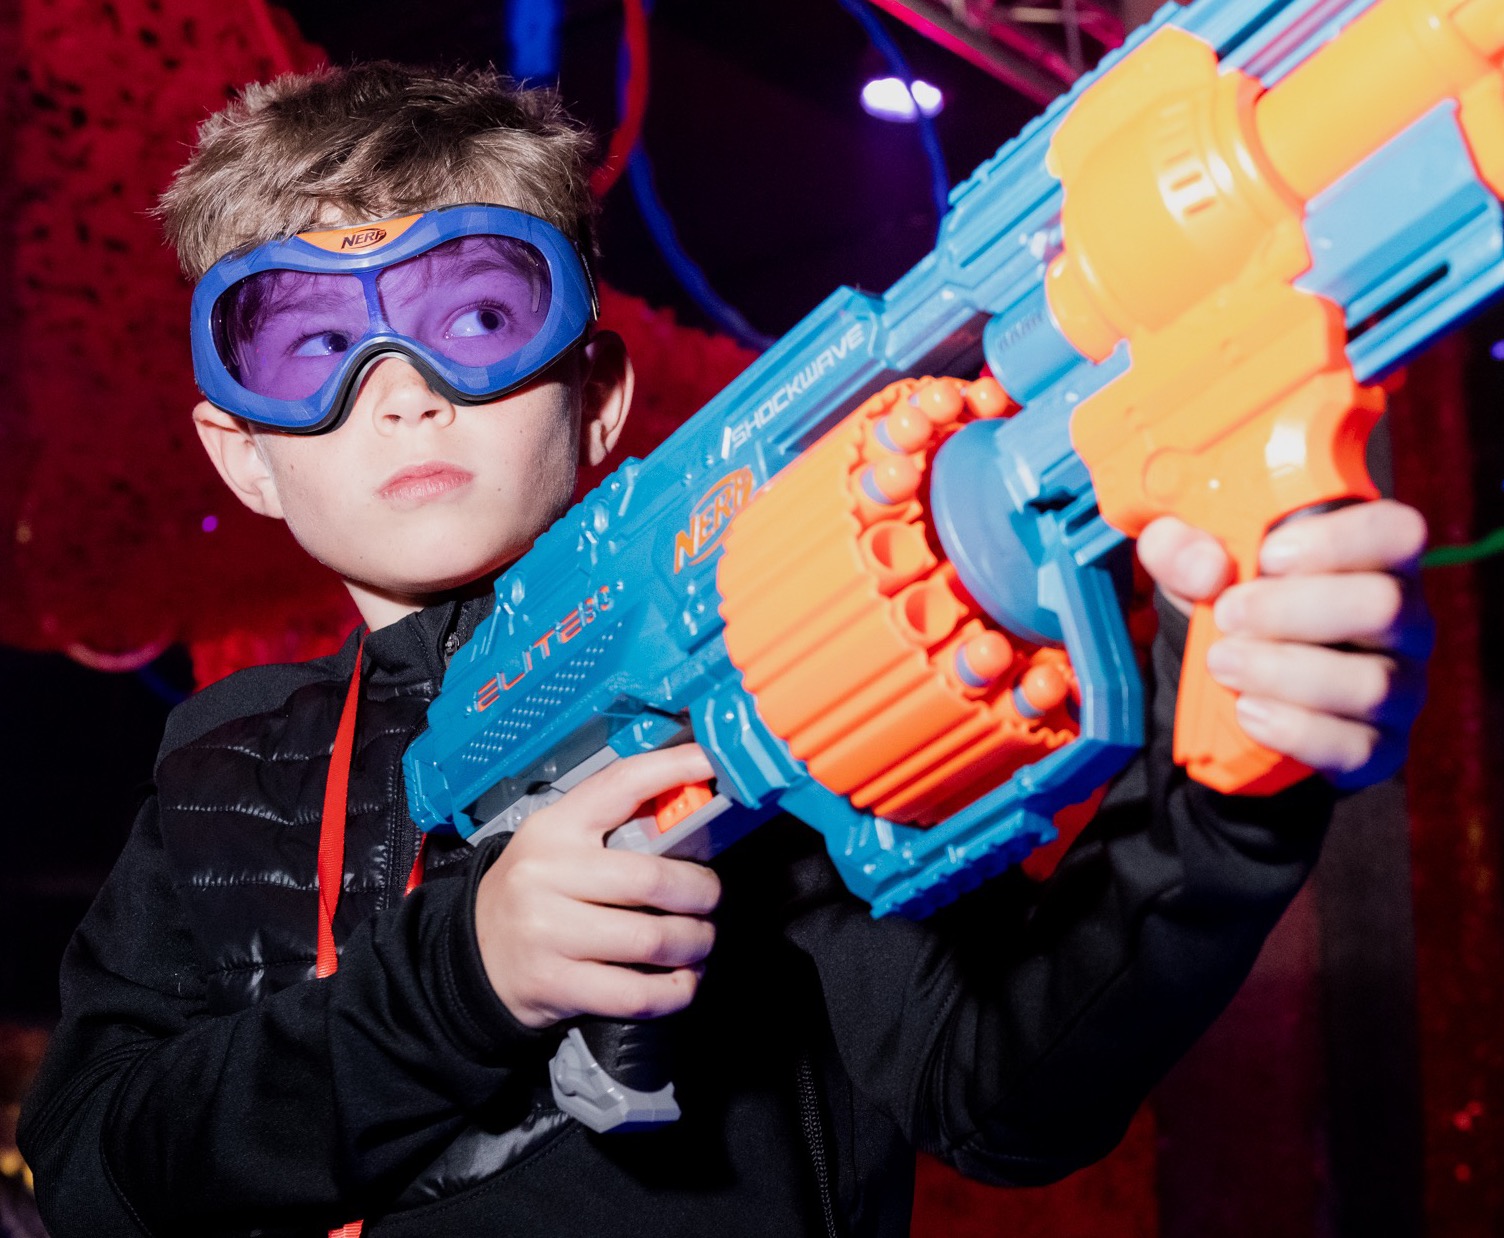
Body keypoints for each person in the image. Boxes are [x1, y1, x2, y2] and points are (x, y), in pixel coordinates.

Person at [19, 63, 1432, 1238]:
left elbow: (996, 1088)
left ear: (599, 395)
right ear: (243, 454)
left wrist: (1223, 802)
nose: (402, 394)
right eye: (313, 344)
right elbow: (97, 1178)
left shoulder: (759, 669)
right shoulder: (229, 764)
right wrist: (464, 982)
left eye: (477, 318)